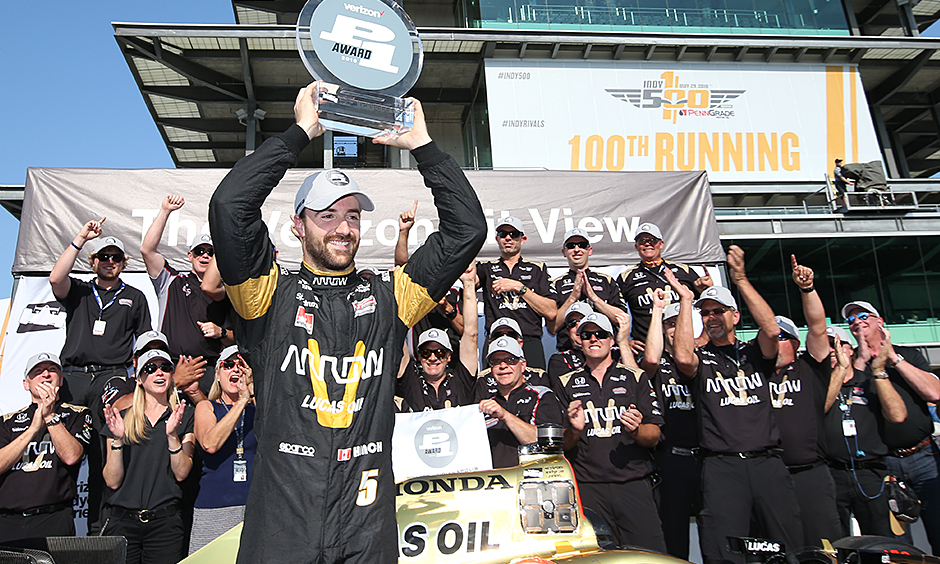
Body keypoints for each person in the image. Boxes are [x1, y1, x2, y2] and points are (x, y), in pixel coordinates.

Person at [208, 84, 486, 564]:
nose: (343, 228)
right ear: (298, 225)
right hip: (283, 523)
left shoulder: (391, 295)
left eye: (353, 216)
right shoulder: (265, 295)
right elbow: (230, 207)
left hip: (365, 524)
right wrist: (301, 133)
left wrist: (424, 146)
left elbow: (467, 229)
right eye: (327, 215)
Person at [672, 246, 803, 564]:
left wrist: (740, 278)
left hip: (767, 464)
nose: (712, 317)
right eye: (707, 313)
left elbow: (772, 330)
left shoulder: (754, 353)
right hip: (722, 467)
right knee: (728, 552)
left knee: (787, 548)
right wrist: (688, 302)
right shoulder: (702, 359)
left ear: (735, 315)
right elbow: (682, 356)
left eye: (719, 311)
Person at [49, 224, 152, 533]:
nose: (110, 261)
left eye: (116, 257)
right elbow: (55, 278)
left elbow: (145, 341)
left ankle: (100, 530)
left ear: (124, 263)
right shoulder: (79, 289)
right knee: (63, 452)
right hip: (74, 378)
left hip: (112, 377)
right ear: (92, 261)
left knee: (104, 452)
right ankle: (58, 525)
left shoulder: (134, 297)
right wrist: (80, 239)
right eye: (103, 256)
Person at [558, 313, 666, 552]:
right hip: (588, 488)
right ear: (580, 341)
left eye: (601, 334)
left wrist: (636, 431)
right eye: (587, 335)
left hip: (633, 485)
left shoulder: (636, 377)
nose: (594, 339)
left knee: (648, 555)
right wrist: (574, 431)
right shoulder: (566, 382)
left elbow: (654, 435)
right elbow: (562, 444)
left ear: (612, 340)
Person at [843, 300, 940, 552]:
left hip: (923, 456)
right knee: (895, 545)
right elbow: (845, 402)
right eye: (851, 320)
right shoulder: (852, 363)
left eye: (863, 316)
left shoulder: (908, 354)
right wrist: (861, 362)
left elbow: (934, 393)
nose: (857, 322)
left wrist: (893, 358)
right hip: (882, 465)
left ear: (879, 321)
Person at [769, 256, 842, 549]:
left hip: (810, 473)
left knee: (822, 548)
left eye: (781, 337)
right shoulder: (753, 372)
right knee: (779, 548)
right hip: (769, 474)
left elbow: (817, 326)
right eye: (769, 335)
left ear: (795, 343)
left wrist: (807, 289)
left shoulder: (809, 367)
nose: (774, 341)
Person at [102, 349, 196, 564]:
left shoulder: (185, 416)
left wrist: (172, 435)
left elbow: (181, 473)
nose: (159, 373)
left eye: (165, 368)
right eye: (151, 369)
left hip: (165, 524)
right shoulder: (121, 419)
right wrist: (117, 440)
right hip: (122, 523)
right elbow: (111, 481)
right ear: (140, 379)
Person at [141, 197, 234, 395]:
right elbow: (147, 250)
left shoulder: (227, 291)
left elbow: (238, 339)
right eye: (199, 251)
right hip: (171, 367)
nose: (205, 256)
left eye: (211, 252)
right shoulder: (171, 281)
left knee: (208, 423)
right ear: (190, 255)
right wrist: (165, 211)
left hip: (208, 369)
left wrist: (221, 333)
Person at [823, 325, 906, 538]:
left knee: (880, 540)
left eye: (837, 346)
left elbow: (898, 415)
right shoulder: (819, 386)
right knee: (836, 542)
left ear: (850, 350)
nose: (832, 351)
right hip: (833, 473)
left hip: (871, 472)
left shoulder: (870, 381)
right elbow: (818, 410)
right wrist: (838, 373)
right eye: (827, 347)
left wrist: (878, 371)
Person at [0, 353, 91, 543]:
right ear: (26, 384)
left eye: (52, 370)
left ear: (61, 379)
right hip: (8, 521)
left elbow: (72, 456)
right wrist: (33, 429)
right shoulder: (7, 422)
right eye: (38, 372)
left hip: (53, 519)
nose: (46, 375)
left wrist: (50, 417)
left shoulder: (77, 415)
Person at [640, 273, 700, 561]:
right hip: (671, 459)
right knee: (675, 540)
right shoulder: (660, 364)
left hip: (707, 460)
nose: (674, 329)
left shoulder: (703, 361)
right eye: (670, 325)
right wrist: (658, 310)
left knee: (716, 532)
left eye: (679, 323)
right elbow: (649, 360)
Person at [190, 346, 256, 554]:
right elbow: (210, 444)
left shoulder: (258, 409)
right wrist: (241, 401)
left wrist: (253, 392)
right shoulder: (207, 407)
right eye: (228, 365)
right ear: (218, 374)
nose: (235, 370)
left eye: (241, 366)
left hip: (254, 506)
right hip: (214, 507)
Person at [476, 216, 557, 369]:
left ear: (523, 238)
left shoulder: (537, 268)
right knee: (490, 391)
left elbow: (551, 311)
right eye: (503, 234)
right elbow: (468, 281)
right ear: (497, 239)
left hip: (528, 341)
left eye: (513, 234)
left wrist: (519, 287)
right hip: (496, 340)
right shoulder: (486, 267)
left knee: (535, 389)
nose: (508, 238)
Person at [617, 222, 711, 353]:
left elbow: (711, 307)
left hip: (683, 345)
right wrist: (623, 341)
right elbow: (615, 313)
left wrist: (704, 337)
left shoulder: (683, 270)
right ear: (636, 247)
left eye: (652, 240)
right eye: (642, 241)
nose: (647, 244)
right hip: (646, 349)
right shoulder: (626, 277)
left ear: (661, 244)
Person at [397, 267, 479, 411]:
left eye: (440, 352)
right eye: (426, 353)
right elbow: (395, 336)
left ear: (448, 356)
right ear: (419, 356)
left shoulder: (460, 382)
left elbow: (471, 334)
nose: (433, 358)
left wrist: (469, 284)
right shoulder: (411, 384)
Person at [476, 337, 565, 468]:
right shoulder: (486, 406)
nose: (503, 366)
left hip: (534, 481)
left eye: (510, 360)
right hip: (495, 482)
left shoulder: (543, 395)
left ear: (523, 365)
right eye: (496, 361)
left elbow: (549, 443)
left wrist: (505, 416)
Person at [551, 228, 627, 352]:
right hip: (570, 351)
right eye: (571, 246)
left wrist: (594, 298)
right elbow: (552, 328)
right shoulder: (556, 284)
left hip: (605, 352)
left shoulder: (606, 281)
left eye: (582, 245)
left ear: (589, 250)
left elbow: (622, 319)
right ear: (564, 252)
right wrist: (573, 297)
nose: (576, 249)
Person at [475, 317, 553, 397]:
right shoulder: (481, 380)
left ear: (520, 343)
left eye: (511, 335)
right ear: (490, 343)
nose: (505, 338)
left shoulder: (538, 377)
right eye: (498, 335)